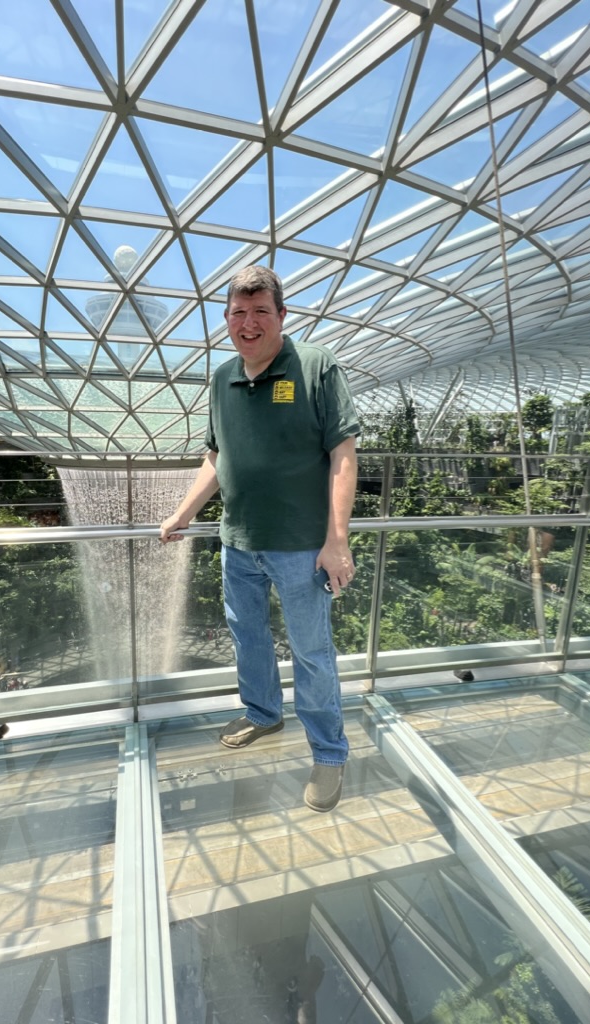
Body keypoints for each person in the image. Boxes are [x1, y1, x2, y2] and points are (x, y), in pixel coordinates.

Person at [160, 265, 360, 812]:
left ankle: (329, 753)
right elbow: (217, 456)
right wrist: (182, 512)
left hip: (301, 546)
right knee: (247, 637)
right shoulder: (222, 377)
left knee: (312, 653)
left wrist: (336, 540)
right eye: (238, 313)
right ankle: (263, 714)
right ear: (226, 319)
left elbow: (344, 455)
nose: (248, 323)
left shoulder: (315, 366)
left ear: (281, 315)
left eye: (260, 312)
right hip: (238, 541)